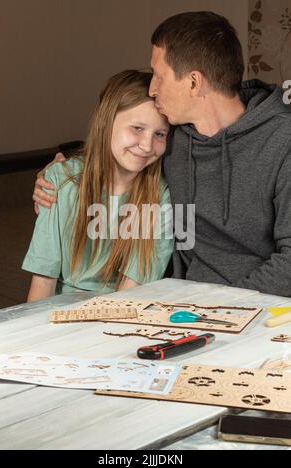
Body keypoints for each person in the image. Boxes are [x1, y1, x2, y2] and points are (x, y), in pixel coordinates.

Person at [34, 11, 291, 297]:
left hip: (259, 308)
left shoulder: (283, 141)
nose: (152, 89)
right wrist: (59, 172)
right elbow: (116, 145)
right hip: (177, 304)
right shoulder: (170, 138)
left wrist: (223, 307)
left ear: (194, 82)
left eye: (158, 75)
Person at [23, 70, 173, 301]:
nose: (146, 145)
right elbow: (43, 280)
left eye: (160, 134)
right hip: (57, 312)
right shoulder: (61, 181)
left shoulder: (160, 196)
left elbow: (131, 292)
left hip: (120, 313)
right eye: (137, 128)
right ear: (106, 122)